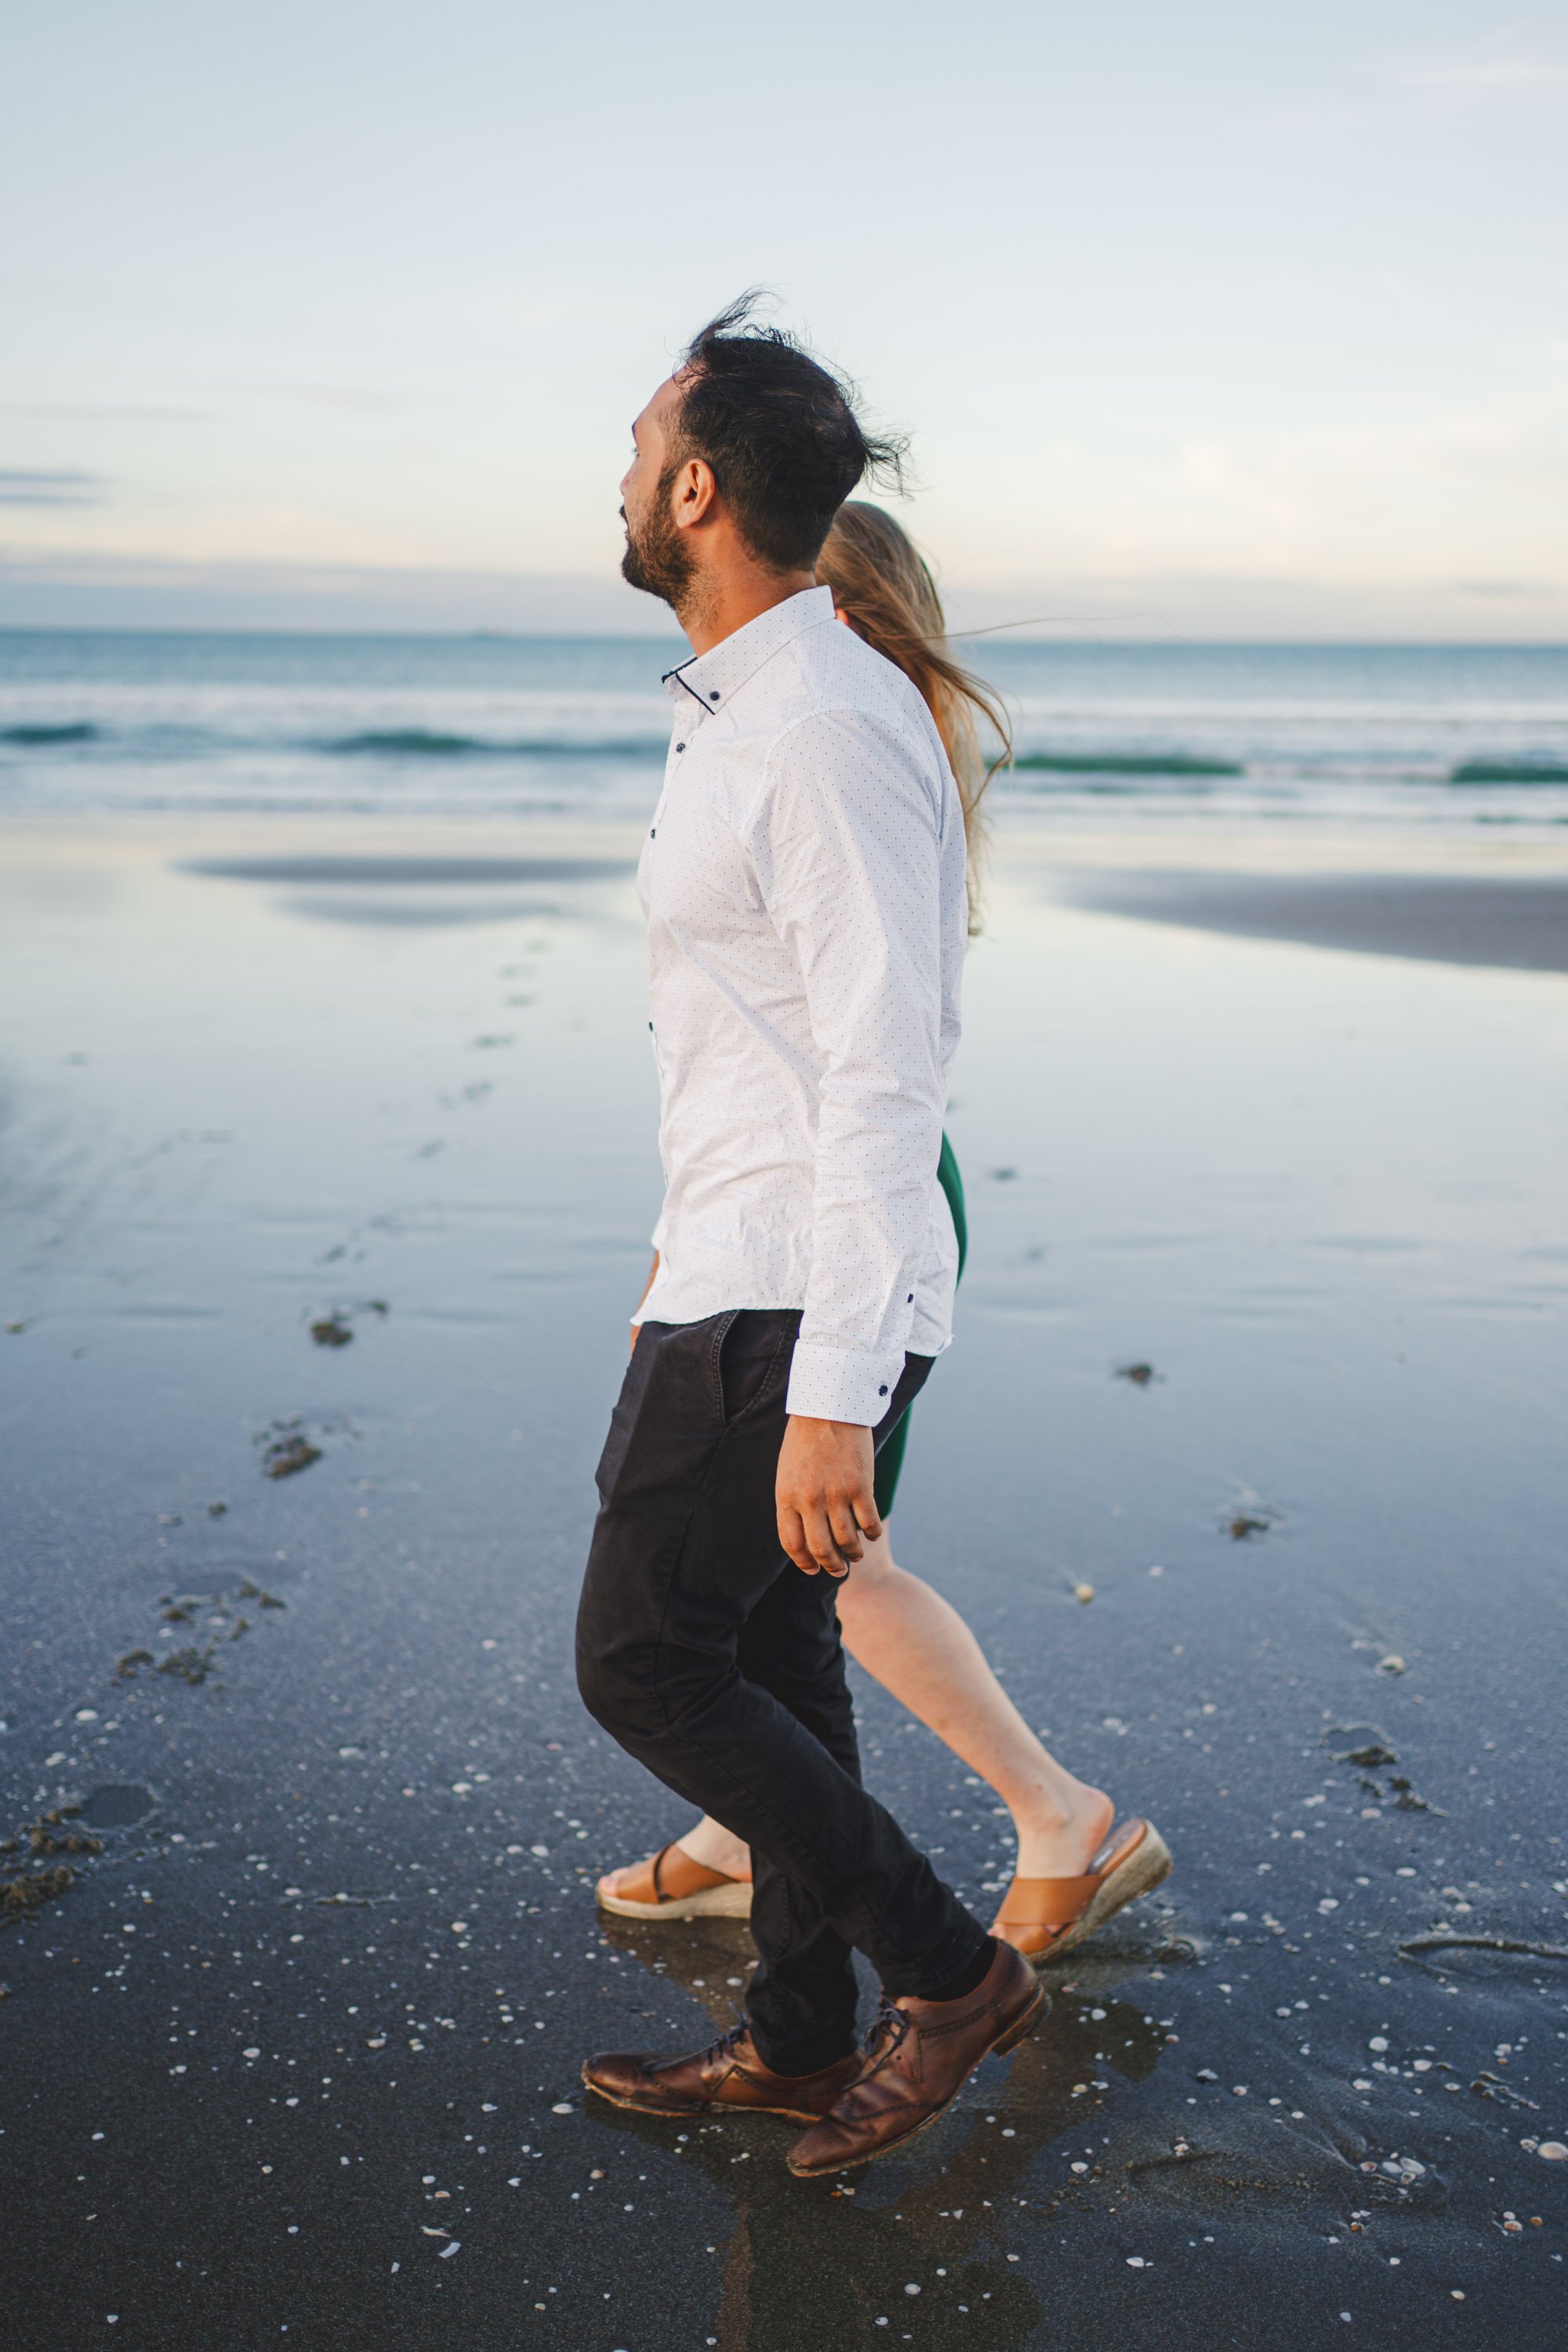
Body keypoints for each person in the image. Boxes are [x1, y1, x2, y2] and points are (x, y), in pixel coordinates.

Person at [576, 299, 1065, 2178]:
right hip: (730, 1253)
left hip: (799, 1284)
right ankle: (792, 2039)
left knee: (639, 1661)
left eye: (636, 450)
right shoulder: (743, 713)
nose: (619, 479)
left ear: (697, 489)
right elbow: (747, 1045)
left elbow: (880, 1078)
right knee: (776, 1663)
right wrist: (671, 1248)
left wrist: (836, 1395)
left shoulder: (823, 730)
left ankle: (947, 1974)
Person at [594, 500, 1171, 1966]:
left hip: (859, 1194)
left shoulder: (842, 740)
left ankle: (1058, 1818)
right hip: (806, 1196)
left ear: (837, 617)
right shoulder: (824, 734)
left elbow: (868, 1071)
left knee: (830, 1562)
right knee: (791, 1574)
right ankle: (749, 1832)